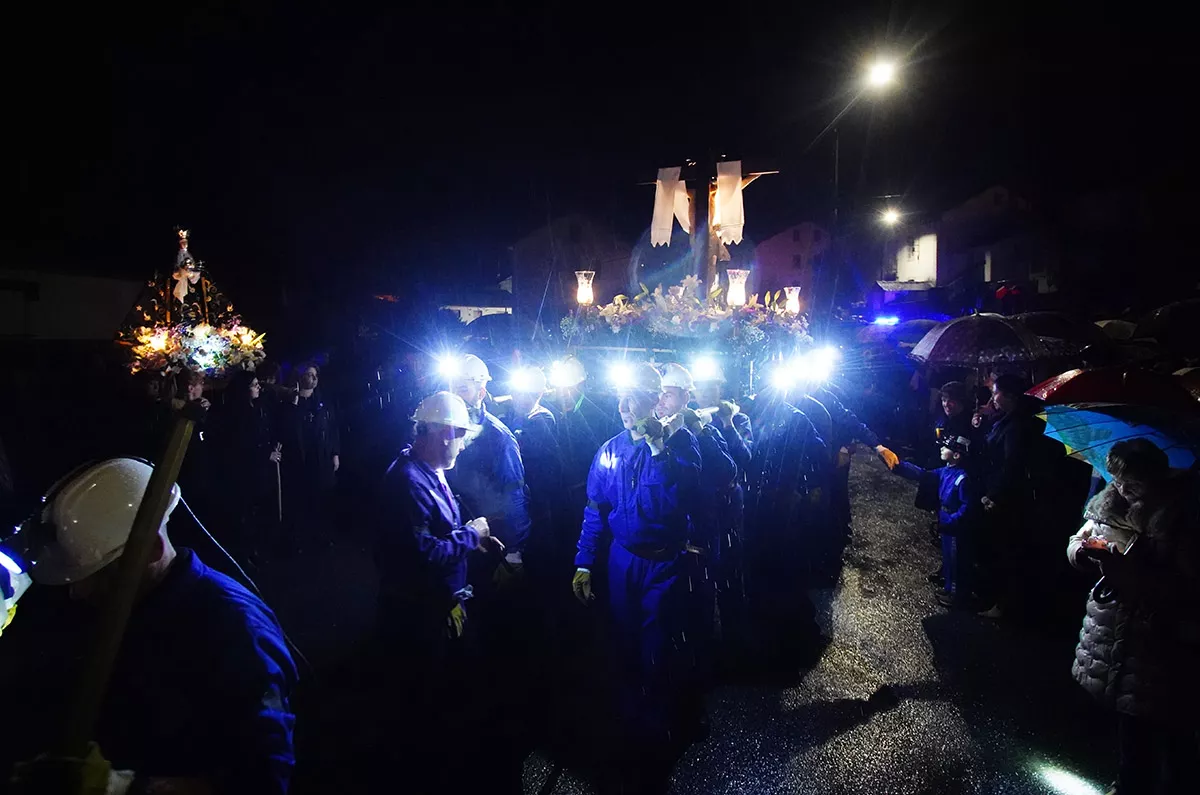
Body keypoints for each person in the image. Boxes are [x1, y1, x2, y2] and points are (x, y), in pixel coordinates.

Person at [11, 457, 297, 793]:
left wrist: (124, 788)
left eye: (98, 574)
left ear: (150, 549)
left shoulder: (235, 630)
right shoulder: (127, 607)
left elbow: (262, 783)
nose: (78, 591)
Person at [373, 392, 505, 791]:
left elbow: (437, 532)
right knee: (424, 700)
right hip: (419, 615)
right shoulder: (407, 481)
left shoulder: (427, 469)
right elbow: (424, 553)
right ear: (440, 433)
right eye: (459, 436)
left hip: (440, 604)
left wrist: (473, 542)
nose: (462, 445)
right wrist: (472, 533)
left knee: (450, 690)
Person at [572, 362, 702, 756]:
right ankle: (628, 719)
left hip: (663, 563)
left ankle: (658, 722)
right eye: (621, 398)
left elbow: (678, 498)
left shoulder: (680, 445)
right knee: (623, 639)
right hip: (622, 559)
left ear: (653, 400)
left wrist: (659, 448)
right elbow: (596, 508)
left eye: (634, 398)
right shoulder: (610, 451)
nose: (625, 407)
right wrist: (583, 561)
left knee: (656, 643)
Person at [1066, 439, 1200, 795]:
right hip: (1112, 626)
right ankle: (1127, 782)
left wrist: (1131, 572)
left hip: (1153, 637)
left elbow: (1186, 587)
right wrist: (1082, 553)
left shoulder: (1175, 520)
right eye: (1118, 479)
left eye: (1133, 483)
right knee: (1128, 716)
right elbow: (1076, 541)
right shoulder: (1106, 504)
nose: (1123, 489)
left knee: (1159, 722)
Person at [743, 383, 829, 672]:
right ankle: (767, 625)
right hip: (759, 501)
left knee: (785, 565)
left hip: (783, 501)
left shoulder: (795, 418)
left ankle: (793, 630)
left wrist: (809, 488)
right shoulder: (752, 417)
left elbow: (817, 453)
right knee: (762, 563)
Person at [445, 354, 530, 577]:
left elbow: (514, 493)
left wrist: (514, 552)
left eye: (462, 389)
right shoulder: (443, 429)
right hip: (455, 537)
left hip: (488, 540)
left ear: (481, 393)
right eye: (452, 388)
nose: (454, 395)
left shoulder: (499, 438)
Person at [977, 373, 1042, 619]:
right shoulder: (1008, 419)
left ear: (1010, 396)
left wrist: (994, 495)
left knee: (1005, 550)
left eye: (995, 392)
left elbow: (1011, 465)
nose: (992, 397)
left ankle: (1005, 605)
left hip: (1007, 499)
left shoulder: (1018, 426)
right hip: (999, 492)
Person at [891, 435, 979, 607]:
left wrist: (952, 521)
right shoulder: (945, 471)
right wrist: (899, 465)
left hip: (954, 525)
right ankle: (948, 588)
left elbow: (967, 506)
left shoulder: (962, 478)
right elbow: (923, 475)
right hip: (945, 520)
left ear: (957, 455)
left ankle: (957, 595)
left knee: (955, 561)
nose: (941, 449)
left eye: (946, 448)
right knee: (947, 558)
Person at [216, 370, 283, 562]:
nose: (258, 387)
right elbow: (239, 445)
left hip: (259, 471)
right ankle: (245, 552)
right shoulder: (235, 414)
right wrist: (265, 454)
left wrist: (272, 445)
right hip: (245, 473)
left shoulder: (258, 407)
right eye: (254, 385)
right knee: (246, 513)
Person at [278, 363, 340, 550]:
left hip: (320, 457)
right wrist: (294, 401)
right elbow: (287, 428)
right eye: (307, 375)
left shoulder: (323, 402)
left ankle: (321, 536)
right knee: (299, 499)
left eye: (314, 375)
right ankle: (296, 539)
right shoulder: (289, 403)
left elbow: (332, 428)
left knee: (321, 499)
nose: (311, 378)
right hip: (299, 457)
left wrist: (335, 453)